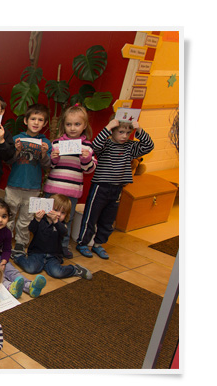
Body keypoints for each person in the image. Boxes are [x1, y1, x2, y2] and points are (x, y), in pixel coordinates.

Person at [76, 118, 154, 259]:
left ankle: (99, 244)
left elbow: (148, 146)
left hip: (117, 188)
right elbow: (95, 146)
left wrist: (140, 131)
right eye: (121, 132)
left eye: (128, 133)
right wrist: (107, 127)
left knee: (108, 219)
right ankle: (82, 243)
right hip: (100, 186)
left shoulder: (130, 147)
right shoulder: (106, 144)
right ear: (113, 131)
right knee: (91, 217)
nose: (124, 136)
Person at [43, 105, 96, 259]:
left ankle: (63, 245)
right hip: (54, 187)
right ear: (63, 125)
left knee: (67, 218)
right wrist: (54, 157)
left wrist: (86, 159)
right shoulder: (57, 143)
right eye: (69, 124)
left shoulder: (87, 146)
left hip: (72, 190)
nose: (72, 128)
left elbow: (89, 169)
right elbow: (50, 166)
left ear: (84, 125)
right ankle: (45, 243)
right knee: (48, 216)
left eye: (77, 124)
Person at [4, 103, 52, 257]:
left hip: (33, 187)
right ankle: (5, 241)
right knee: (9, 215)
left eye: (40, 120)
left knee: (26, 218)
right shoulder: (17, 138)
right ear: (26, 120)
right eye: (33, 119)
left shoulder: (46, 143)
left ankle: (20, 243)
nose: (36, 122)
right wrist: (17, 150)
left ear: (44, 124)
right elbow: (9, 161)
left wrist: (44, 153)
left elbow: (47, 165)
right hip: (14, 185)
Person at [13, 194, 92, 280]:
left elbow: (63, 232)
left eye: (63, 213)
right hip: (37, 253)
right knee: (31, 268)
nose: (58, 214)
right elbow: (31, 229)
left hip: (53, 256)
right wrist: (37, 219)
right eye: (56, 210)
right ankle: (18, 256)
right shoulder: (41, 221)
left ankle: (75, 270)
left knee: (56, 272)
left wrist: (55, 221)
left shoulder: (62, 225)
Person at [0, 198, 46, 298]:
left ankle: (30, 286)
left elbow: (7, 249)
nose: (0, 220)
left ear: (8, 218)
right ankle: (10, 287)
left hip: (0, 258)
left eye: (4, 216)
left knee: (12, 271)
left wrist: (4, 262)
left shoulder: (7, 232)